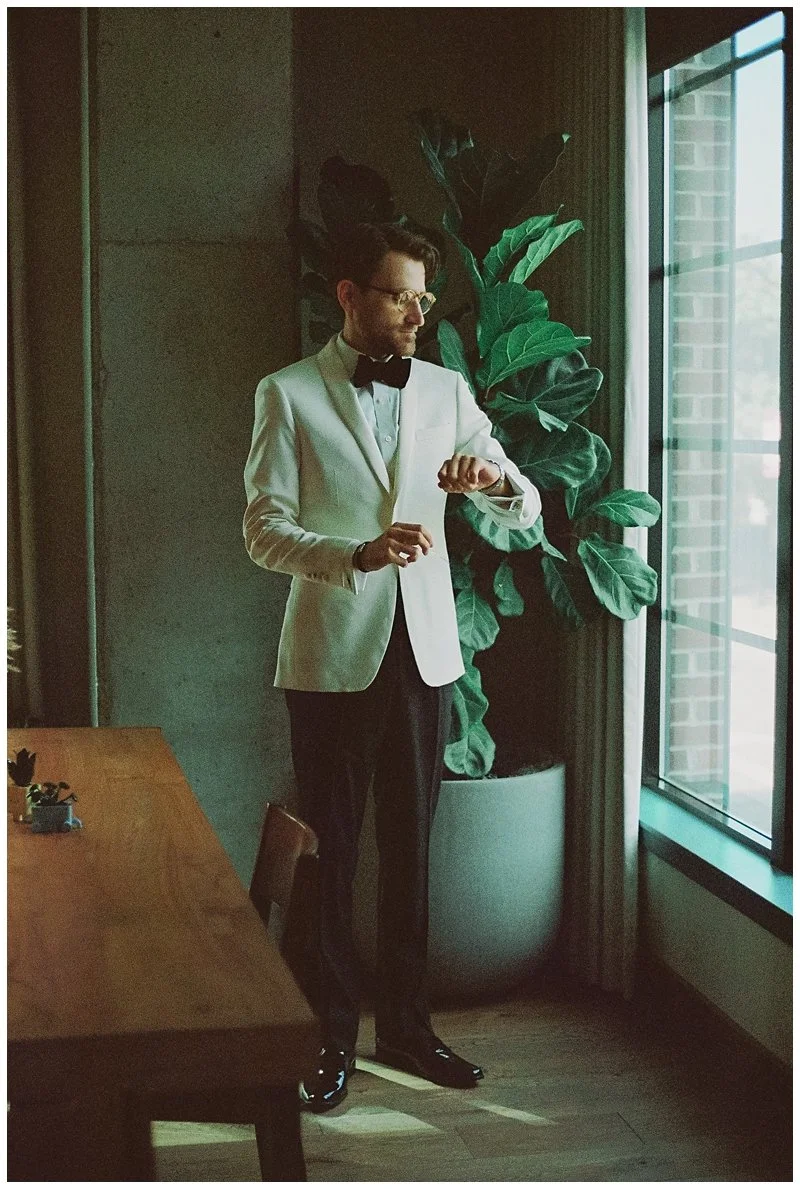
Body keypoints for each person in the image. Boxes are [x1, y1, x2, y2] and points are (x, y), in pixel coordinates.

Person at [243, 222, 541, 1112]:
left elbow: (524, 506)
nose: (417, 312)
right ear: (348, 294)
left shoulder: (450, 391)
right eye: (398, 294)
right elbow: (262, 531)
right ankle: (329, 1038)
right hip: (330, 654)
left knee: (411, 850)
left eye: (421, 296)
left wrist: (488, 483)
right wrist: (359, 555)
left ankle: (406, 1028)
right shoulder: (288, 394)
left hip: (426, 652)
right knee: (330, 853)